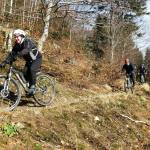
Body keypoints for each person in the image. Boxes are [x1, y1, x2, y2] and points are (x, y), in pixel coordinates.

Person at [0, 29, 42, 95]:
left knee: (32, 69)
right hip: (29, 61)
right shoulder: (17, 45)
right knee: (24, 75)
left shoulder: (27, 41)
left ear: (22, 36)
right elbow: (12, 54)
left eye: (17, 36)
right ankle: (28, 90)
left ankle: (33, 86)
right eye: (15, 37)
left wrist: (18, 55)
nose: (16, 38)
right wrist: (5, 62)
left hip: (37, 59)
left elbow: (26, 50)